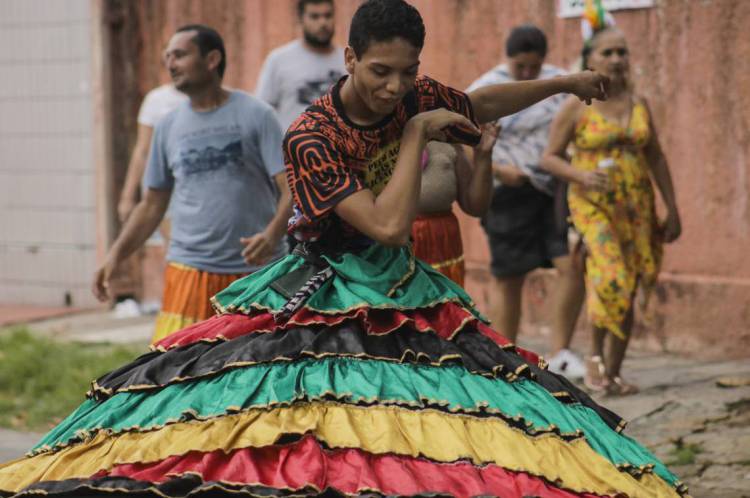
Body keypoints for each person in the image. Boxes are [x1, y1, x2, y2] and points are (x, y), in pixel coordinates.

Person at [0, 2, 686, 497]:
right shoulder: (311, 135)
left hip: (406, 285)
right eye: (381, 72)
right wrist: (417, 134)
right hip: (325, 285)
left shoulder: (408, 93)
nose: (395, 87)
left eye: (408, 74)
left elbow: (481, 104)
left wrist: (562, 84)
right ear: (350, 58)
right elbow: (387, 226)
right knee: (316, 411)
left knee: (438, 412)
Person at [92, 24, 292, 343]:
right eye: (167, 57)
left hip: (257, 274)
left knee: (255, 373)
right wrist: (115, 256)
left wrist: (272, 234)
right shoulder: (167, 126)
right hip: (188, 271)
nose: (171, 64)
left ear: (212, 59)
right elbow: (152, 204)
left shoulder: (258, 115)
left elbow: (290, 187)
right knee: (176, 370)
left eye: (180, 55)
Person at [541, 12, 681, 395]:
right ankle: (595, 360)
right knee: (611, 277)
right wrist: (582, 177)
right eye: (608, 52)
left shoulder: (639, 104)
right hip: (592, 205)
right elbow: (549, 157)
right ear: (592, 59)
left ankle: (613, 372)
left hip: (637, 207)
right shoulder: (578, 104)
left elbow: (656, 157)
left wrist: (672, 208)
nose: (617, 59)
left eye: (622, 52)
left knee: (630, 283)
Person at [467, 24, 587, 378]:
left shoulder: (558, 83)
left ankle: (561, 351)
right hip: (508, 192)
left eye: (533, 67)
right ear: (509, 59)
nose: (527, 74)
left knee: (571, 264)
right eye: (521, 67)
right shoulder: (487, 88)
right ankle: (506, 354)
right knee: (509, 274)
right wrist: (500, 170)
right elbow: (464, 134)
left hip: (552, 190)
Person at [410, 127, 498, 286]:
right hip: (393, 242)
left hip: (442, 241)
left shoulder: (446, 134)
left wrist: (483, 156)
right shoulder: (369, 137)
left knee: (444, 308)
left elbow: (475, 206)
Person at [255, 0, 346, 131]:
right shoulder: (279, 60)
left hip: (336, 149)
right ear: (300, 19)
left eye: (328, 16)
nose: (323, 23)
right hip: (290, 149)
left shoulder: (347, 61)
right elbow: (261, 112)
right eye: (314, 16)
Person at [117, 84, 187, 227]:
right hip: (166, 188)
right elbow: (142, 150)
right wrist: (127, 196)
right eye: (169, 59)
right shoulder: (157, 100)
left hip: (196, 187)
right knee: (173, 243)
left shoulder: (216, 100)